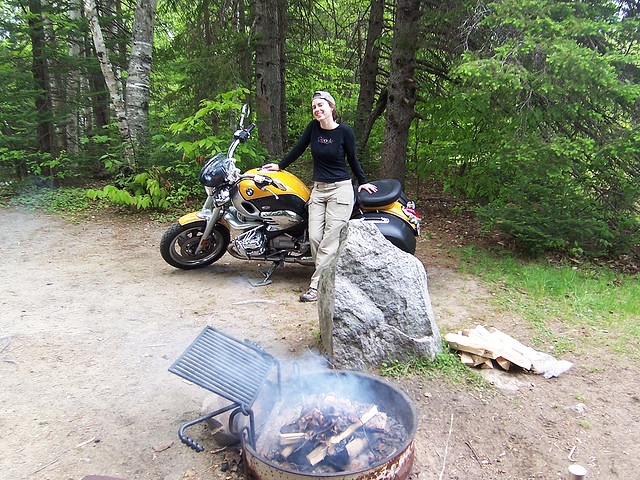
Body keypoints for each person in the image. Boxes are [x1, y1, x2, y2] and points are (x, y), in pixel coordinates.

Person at [262, 91, 377, 302]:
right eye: (314, 107)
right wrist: (280, 165)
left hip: (340, 190)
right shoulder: (313, 128)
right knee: (314, 237)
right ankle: (329, 275)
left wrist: (363, 182)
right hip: (319, 190)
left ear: (332, 107)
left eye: (321, 105)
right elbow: (298, 148)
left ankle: (317, 286)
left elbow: (353, 159)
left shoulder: (345, 132)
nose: (317, 110)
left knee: (330, 239)